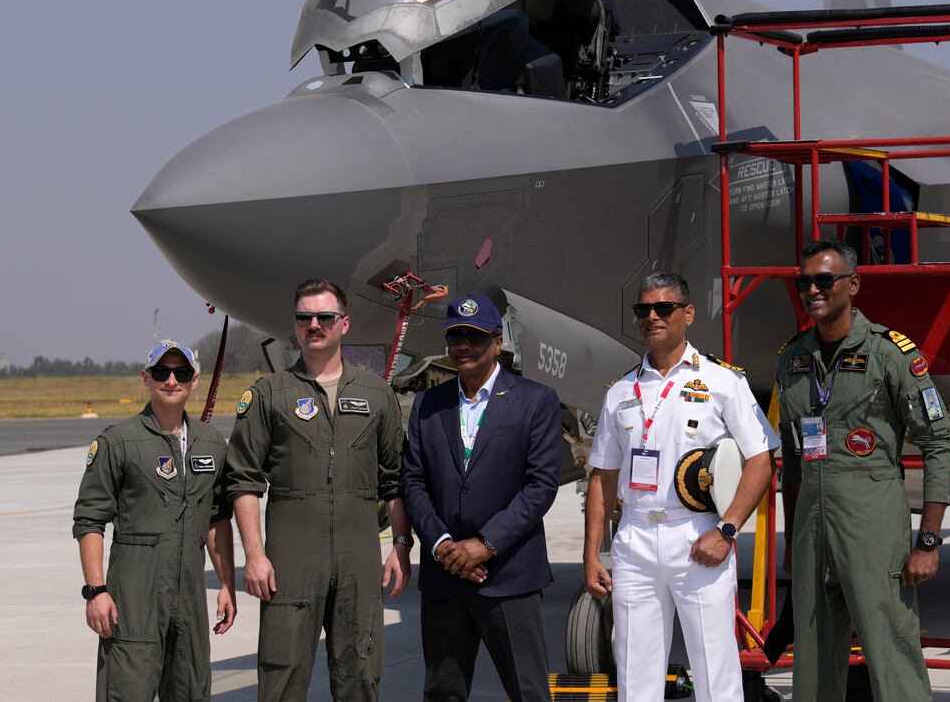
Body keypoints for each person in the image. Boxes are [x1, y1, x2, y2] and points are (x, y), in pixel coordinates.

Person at [583, 273, 776, 702]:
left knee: (714, 671)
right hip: (633, 540)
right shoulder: (619, 391)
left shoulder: (723, 382)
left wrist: (727, 530)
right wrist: (593, 552)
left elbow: (762, 460)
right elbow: (603, 475)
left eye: (663, 308)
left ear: (687, 314)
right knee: (635, 674)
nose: (652, 317)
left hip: (698, 536)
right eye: (642, 310)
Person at [776, 239, 950, 702]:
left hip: (872, 524)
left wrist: (928, 541)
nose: (812, 290)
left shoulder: (890, 354)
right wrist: (792, 539)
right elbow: (792, 460)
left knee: (890, 649)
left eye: (823, 280)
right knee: (812, 663)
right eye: (804, 282)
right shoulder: (792, 360)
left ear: (852, 285)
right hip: (812, 532)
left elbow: (937, 443)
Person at [224, 277, 411, 702]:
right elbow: (243, 481)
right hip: (291, 561)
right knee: (281, 678)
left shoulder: (376, 393)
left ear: (344, 324)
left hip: (358, 561)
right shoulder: (268, 394)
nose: (314, 325)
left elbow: (395, 478)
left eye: (325, 317)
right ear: (294, 326)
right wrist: (254, 556)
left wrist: (401, 544)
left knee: (361, 677)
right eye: (305, 317)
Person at [401, 294, 561, 702]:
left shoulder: (535, 400)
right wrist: (442, 546)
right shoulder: (427, 404)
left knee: (528, 692)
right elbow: (413, 482)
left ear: (497, 343)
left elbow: (540, 486)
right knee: (442, 692)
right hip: (445, 576)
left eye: (474, 336)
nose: (463, 346)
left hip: (508, 574)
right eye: (455, 337)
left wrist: (485, 544)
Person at [72, 339, 239, 702]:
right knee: (128, 690)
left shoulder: (211, 444)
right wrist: (96, 591)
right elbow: (89, 520)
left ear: (195, 380)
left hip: (191, 600)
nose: (171, 380)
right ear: (145, 378)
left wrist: (227, 584)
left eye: (181, 373)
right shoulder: (118, 442)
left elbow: (217, 519)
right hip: (134, 598)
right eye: (162, 372)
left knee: (191, 691)